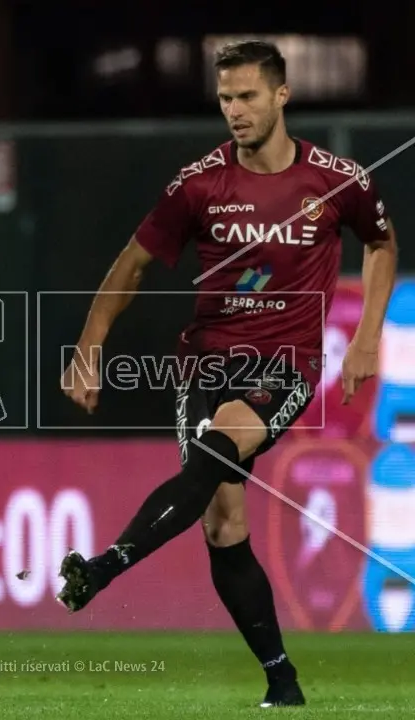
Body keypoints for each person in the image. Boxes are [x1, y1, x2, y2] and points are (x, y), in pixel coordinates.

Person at [58, 40, 397, 708]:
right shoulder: (199, 183)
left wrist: (364, 340)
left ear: (281, 96)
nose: (235, 111)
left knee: (216, 451)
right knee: (221, 523)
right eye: (225, 99)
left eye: (247, 97)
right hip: (205, 362)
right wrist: (90, 344)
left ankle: (105, 567)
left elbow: (381, 243)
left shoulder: (336, 179)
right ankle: (282, 680)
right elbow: (131, 264)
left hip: (284, 363)